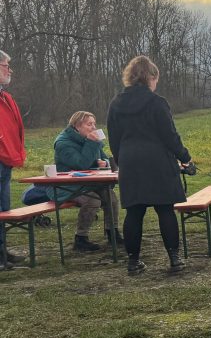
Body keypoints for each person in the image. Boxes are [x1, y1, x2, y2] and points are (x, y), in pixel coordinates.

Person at [107, 55, 193, 275]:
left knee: (134, 213)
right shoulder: (157, 102)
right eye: (156, 80)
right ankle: (174, 259)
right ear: (151, 78)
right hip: (158, 162)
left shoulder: (116, 104)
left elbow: (114, 139)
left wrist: (121, 160)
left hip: (130, 162)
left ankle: (133, 262)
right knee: (165, 210)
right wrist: (185, 157)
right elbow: (169, 135)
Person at [49, 111, 122, 252]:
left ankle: (112, 233)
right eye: (89, 124)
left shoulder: (90, 140)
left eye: (94, 124)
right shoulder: (63, 143)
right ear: (77, 126)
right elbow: (81, 164)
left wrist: (104, 163)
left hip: (89, 183)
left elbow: (104, 158)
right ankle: (81, 238)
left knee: (111, 197)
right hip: (66, 185)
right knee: (93, 201)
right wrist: (91, 143)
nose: (93, 127)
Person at [0, 49, 27, 269]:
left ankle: (2, 250)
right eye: (6, 66)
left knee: (3, 208)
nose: (10, 70)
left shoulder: (6, 97)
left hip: (6, 160)